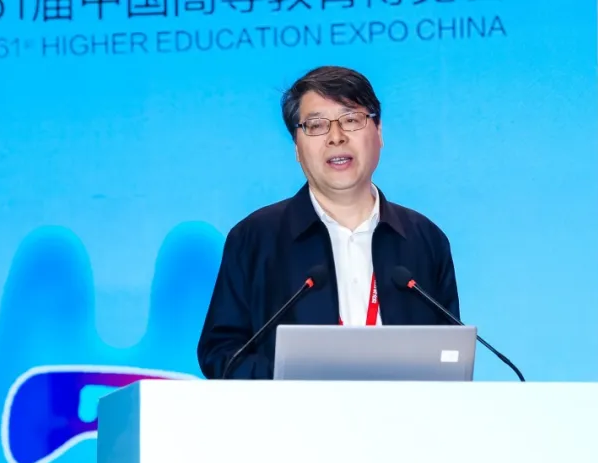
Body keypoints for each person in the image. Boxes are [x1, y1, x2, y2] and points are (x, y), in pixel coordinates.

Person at [196, 65, 461, 379]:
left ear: (379, 132)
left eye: (351, 120)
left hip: (400, 410)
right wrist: (292, 380)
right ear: (297, 147)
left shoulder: (425, 239)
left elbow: (449, 356)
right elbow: (221, 353)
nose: (336, 137)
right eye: (316, 125)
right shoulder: (255, 238)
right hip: (291, 410)